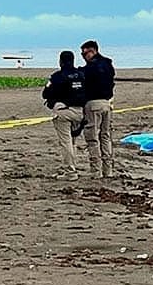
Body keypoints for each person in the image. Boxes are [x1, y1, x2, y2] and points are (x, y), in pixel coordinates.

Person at [42, 50, 87, 181]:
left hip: (64, 111)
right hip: (79, 111)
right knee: (72, 142)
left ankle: (70, 171)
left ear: (61, 61)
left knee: (66, 142)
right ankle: (73, 166)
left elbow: (46, 94)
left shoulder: (58, 76)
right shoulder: (81, 75)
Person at [80, 40, 116, 179]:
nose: (84, 56)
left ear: (93, 51)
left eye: (85, 53)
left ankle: (96, 170)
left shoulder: (91, 68)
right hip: (107, 103)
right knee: (105, 136)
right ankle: (108, 169)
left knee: (92, 137)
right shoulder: (108, 64)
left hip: (93, 103)